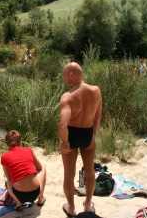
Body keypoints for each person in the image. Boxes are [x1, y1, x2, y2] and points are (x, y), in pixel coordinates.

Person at [58, 62, 102, 217]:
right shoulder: (96, 90)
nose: (64, 78)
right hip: (88, 133)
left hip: (71, 134)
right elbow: (98, 116)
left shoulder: (68, 96)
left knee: (69, 174)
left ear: (71, 74)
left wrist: (64, 142)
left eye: (64, 74)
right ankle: (88, 204)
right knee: (89, 170)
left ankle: (70, 207)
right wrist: (93, 135)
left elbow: (63, 124)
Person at [0, 130, 47, 210]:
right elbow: (39, 168)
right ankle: (40, 199)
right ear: (20, 141)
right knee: (44, 168)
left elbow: (9, 178)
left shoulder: (4, 156)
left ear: (7, 143)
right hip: (35, 193)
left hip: (19, 195)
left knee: (7, 181)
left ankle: (18, 203)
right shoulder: (28, 150)